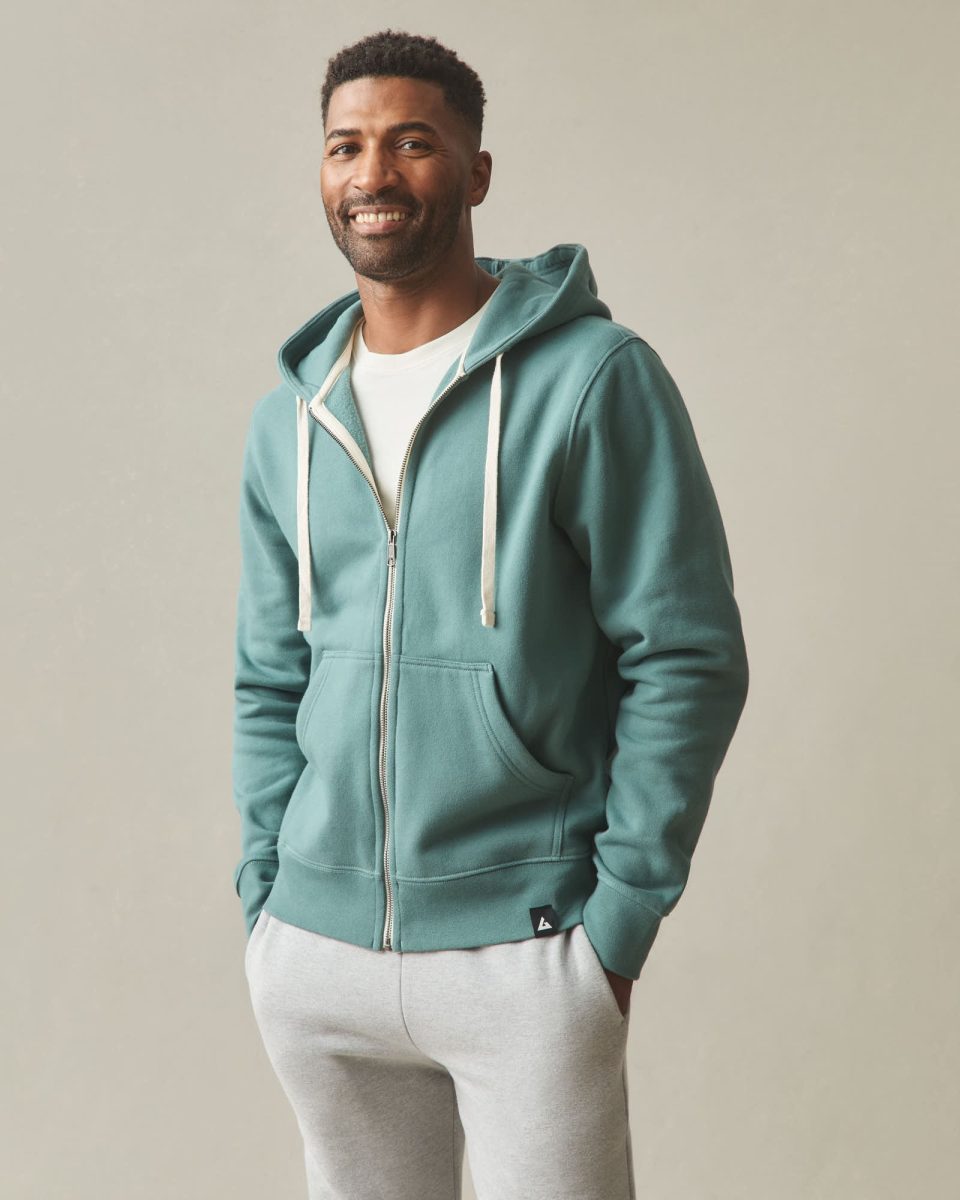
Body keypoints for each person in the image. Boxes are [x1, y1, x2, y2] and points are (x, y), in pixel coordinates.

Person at [232, 28, 749, 1200]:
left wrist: (618, 923)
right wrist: (267, 897)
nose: (373, 173)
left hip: (526, 945)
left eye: (411, 142)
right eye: (346, 146)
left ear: (475, 172)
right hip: (315, 953)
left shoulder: (591, 378)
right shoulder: (290, 419)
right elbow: (268, 674)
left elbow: (685, 653)